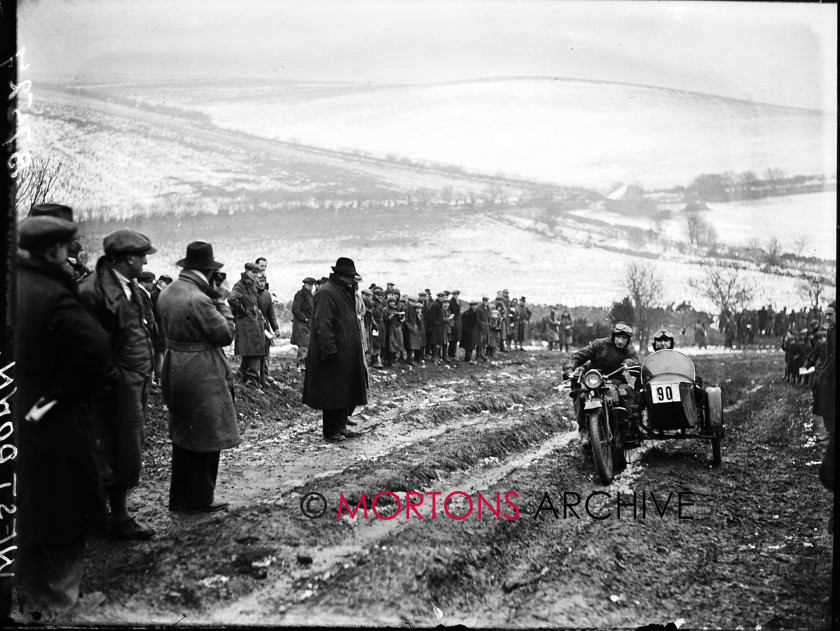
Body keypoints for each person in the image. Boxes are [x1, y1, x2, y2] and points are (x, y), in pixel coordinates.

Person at [14, 216, 111, 615]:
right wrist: (54, 399)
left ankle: (28, 599)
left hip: (13, 414)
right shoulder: (54, 291)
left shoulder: (15, 283)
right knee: (64, 508)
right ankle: (60, 603)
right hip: (50, 421)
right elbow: (95, 350)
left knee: (25, 507)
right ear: (56, 250)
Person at [78, 229, 157, 540]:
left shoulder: (128, 286)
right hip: (110, 388)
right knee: (107, 451)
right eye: (142, 257)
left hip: (130, 383)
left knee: (125, 450)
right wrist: (115, 378)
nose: (145, 262)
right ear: (128, 259)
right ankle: (107, 520)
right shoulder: (91, 292)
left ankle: (116, 517)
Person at [156, 242, 241, 512]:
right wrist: (221, 300)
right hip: (201, 369)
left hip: (174, 364)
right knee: (207, 434)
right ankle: (201, 498)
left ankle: (180, 497)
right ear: (207, 270)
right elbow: (225, 334)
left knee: (184, 435)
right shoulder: (200, 299)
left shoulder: (168, 291)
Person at [302, 257, 369, 443]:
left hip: (346, 352)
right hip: (334, 352)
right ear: (341, 276)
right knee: (332, 394)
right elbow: (323, 324)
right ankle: (331, 431)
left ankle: (341, 426)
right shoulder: (327, 293)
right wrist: (329, 350)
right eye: (350, 277)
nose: (352, 281)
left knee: (344, 391)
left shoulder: (342, 291)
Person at [570, 322, 641, 450]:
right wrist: (571, 367)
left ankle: (628, 430)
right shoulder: (599, 344)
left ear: (628, 340)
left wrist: (628, 363)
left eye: (624, 338)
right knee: (579, 395)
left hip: (616, 379)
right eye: (618, 337)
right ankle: (585, 431)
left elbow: (635, 361)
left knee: (628, 393)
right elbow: (580, 355)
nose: (620, 341)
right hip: (593, 378)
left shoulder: (629, 349)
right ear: (613, 336)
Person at [807, 302, 835, 490]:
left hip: (832, 374)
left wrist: (826, 370)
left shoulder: (831, 333)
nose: (828, 318)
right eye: (826, 315)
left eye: (830, 314)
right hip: (828, 372)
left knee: (828, 403)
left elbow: (831, 355)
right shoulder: (831, 331)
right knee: (824, 402)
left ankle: (831, 434)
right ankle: (829, 432)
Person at [228, 262, 266, 389]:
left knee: (252, 351)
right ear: (246, 272)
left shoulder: (251, 285)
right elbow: (231, 299)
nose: (256, 276)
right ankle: (252, 384)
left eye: (257, 273)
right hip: (247, 323)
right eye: (253, 273)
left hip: (253, 322)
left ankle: (243, 377)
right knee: (253, 351)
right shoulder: (240, 285)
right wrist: (242, 311)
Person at [256, 272, 280, 386]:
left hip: (265, 327)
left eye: (263, 281)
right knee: (255, 353)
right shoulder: (252, 293)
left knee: (265, 351)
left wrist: (276, 328)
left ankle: (264, 376)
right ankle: (255, 377)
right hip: (255, 326)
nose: (261, 283)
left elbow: (271, 313)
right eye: (259, 281)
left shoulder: (267, 295)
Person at [291, 277, 316, 369]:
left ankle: (304, 365)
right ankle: (300, 365)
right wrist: (305, 319)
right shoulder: (300, 294)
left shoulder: (310, 295)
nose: (310, 287)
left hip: (308, 324)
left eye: (312, 285)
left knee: (307, 345)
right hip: (302, 324)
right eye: (309, 285)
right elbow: (295, 309)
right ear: (304, 284)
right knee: (303, 345)